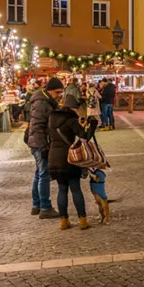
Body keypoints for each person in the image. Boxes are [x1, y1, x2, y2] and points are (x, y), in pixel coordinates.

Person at [48, 95, 90, 230]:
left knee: (62, 189)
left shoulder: (51, 118)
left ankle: (64, 221)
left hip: (53, 157)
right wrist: (90, 125)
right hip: (69, 158)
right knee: (76, 189)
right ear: (73, 108)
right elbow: (84, 136)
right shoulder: (71, 120)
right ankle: (82, 220)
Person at [27, 77, 63, 218]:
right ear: (50, 90)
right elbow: (37, 126)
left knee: (39, 173)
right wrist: (43, 147)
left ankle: (36, 205)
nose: (60, 95)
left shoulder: (44, 100)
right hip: (39, 143)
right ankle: (45, 207)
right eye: (58, 92)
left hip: (37, 142)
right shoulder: (42, 102)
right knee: (44, 174)